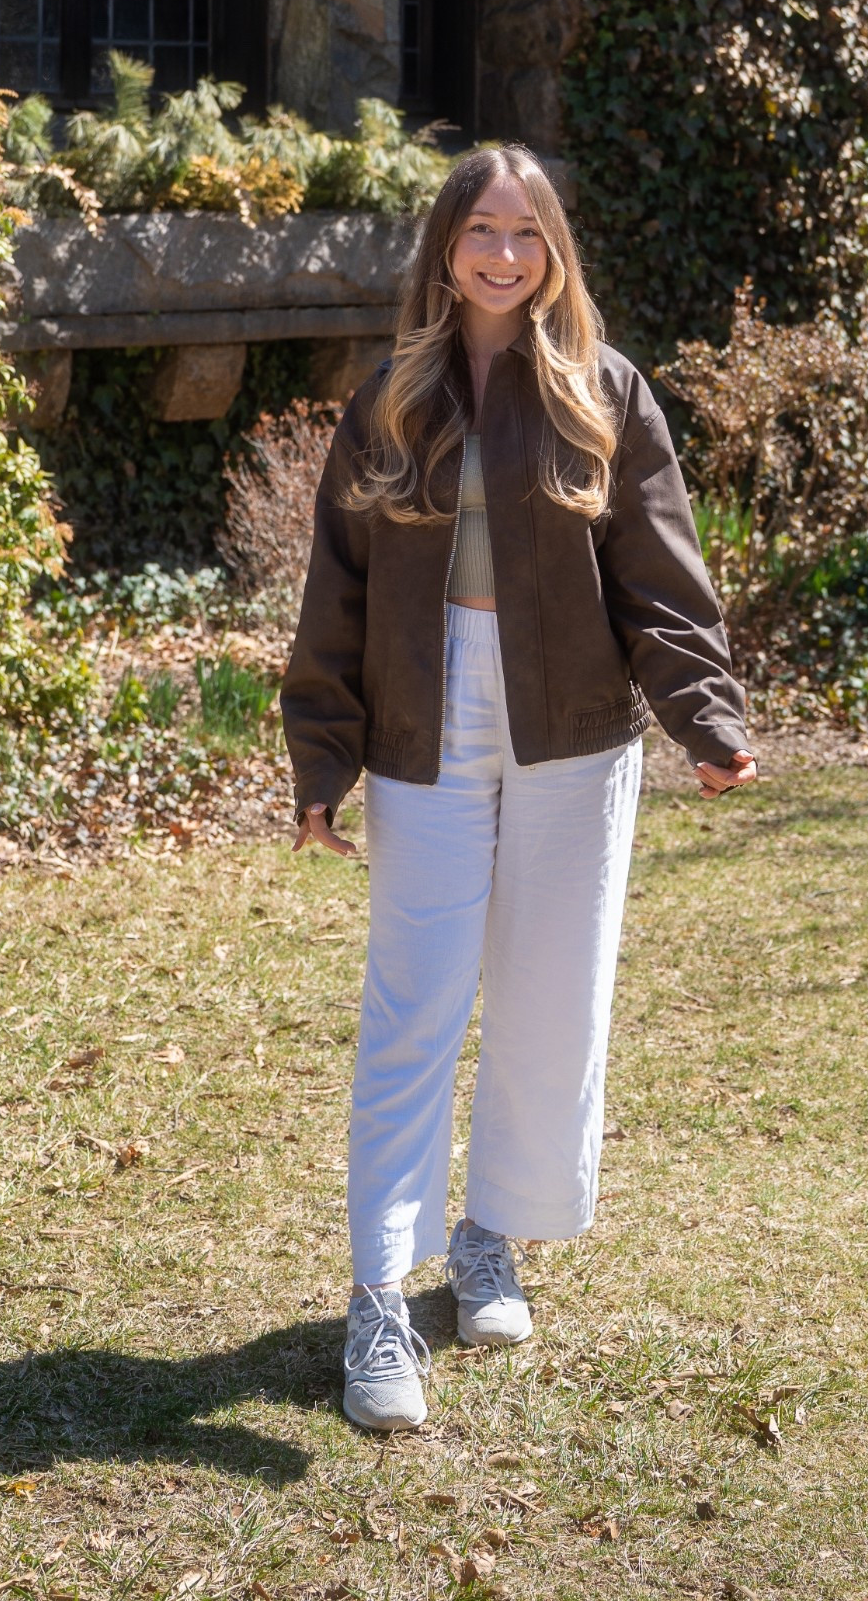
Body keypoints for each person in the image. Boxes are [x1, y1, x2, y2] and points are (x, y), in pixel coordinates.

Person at [281, 143, 756, 1432]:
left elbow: (661, 577)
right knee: (413, 1012)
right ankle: (381, 1297)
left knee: (552, 1003)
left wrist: (705, 718)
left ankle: (491, 1239)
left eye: (526, 232)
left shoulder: (607, 393)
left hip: (577, 731)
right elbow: (339, 589)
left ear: (554, 253)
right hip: (425, 725)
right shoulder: (389, 398)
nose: (503, 252)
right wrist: (322, 754)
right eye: (481, 229)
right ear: (447, 248)